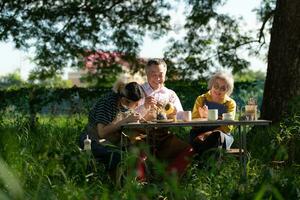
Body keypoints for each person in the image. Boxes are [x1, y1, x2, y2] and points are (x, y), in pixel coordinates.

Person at [136, 58, 194, 177]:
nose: (158, 78)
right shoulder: (138, 91)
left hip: (163, 136)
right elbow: (127, 115)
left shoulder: (170, 94)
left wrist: (175, 113)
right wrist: (144, 106)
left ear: (165, 75)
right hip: (141, 135)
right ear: (146, 74)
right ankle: (140, 187)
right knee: (138, 153)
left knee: (188, 150)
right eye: (153, 75)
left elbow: (181, 116)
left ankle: (168, 180)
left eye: (161, 75)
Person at [79, 80, 145, 182]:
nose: (137, 107)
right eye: (136, 104)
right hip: (93, 139)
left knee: (139, 149)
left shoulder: (124, 105)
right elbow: (102, 132)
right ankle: (117, 187)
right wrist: (126, 120)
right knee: (118, 156)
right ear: (125, 100)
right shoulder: (108, 102)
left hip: (111, 140)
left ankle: (135, 182)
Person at [190, 71, 236, 156]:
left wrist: (210, 133)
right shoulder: (201, 99)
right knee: (201, 141)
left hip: (221, 135)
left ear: (228, 90)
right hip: (199, 134)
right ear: (211, 85)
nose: (218, 90)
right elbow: (193, 123)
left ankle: (204, 165)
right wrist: (202, 118)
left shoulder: (230, 103)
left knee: (216, 137)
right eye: (216, 86)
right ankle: (210, 166)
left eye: (223, 88)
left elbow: (228, 127)